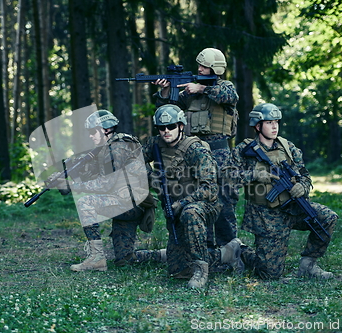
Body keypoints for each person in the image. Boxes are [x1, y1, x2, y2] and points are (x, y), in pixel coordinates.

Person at [229, 103, 338, 279]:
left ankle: (308, 265)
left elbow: (304, 174)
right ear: (258, 126)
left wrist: (302, 186)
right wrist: (255, 175)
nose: (274, 126)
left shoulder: (288, 147)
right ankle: (239, 250)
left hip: (293, 208)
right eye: (269, 122)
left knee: (328, 218)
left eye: (276, 122)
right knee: (270, 274)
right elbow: (226, 175)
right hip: (266, 216)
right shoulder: (244, 149)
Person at [142, 104, 244, 289]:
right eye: (161, 127)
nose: (166, 131)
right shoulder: (155, 144)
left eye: (171, 126)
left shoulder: (195, 150)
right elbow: (135, 160)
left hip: (204, 206)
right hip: (176, 209)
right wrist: (152, 177)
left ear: (181, 126)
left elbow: (210, 189)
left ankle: (201, 271)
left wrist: (183, 202)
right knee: (178, 270)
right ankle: (227, 253)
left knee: (191, 212)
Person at [153, 47, 238, 252]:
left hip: (220, 154)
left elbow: (230, 96)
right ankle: (205, 248)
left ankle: (229, 248)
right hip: (195, 154)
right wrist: (165, 92)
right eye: (199, 65)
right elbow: (170, 110)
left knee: (224, 200)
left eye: (204, 66)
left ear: (215, 69)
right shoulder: (189, 92)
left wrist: (201, 88)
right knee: (198, 197)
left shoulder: (224, 86)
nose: (199, 68)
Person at [67, 110, 164, 272]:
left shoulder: (117, 147)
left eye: (93, 132)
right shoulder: (106, 149)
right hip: (127, 203)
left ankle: (96, 258)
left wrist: (74, 187)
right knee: (124, 260)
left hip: (131, 204)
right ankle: (165, 255)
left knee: (85, 202)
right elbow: (95, 177)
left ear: (105, 130)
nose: (90, 136)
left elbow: (107, 184)